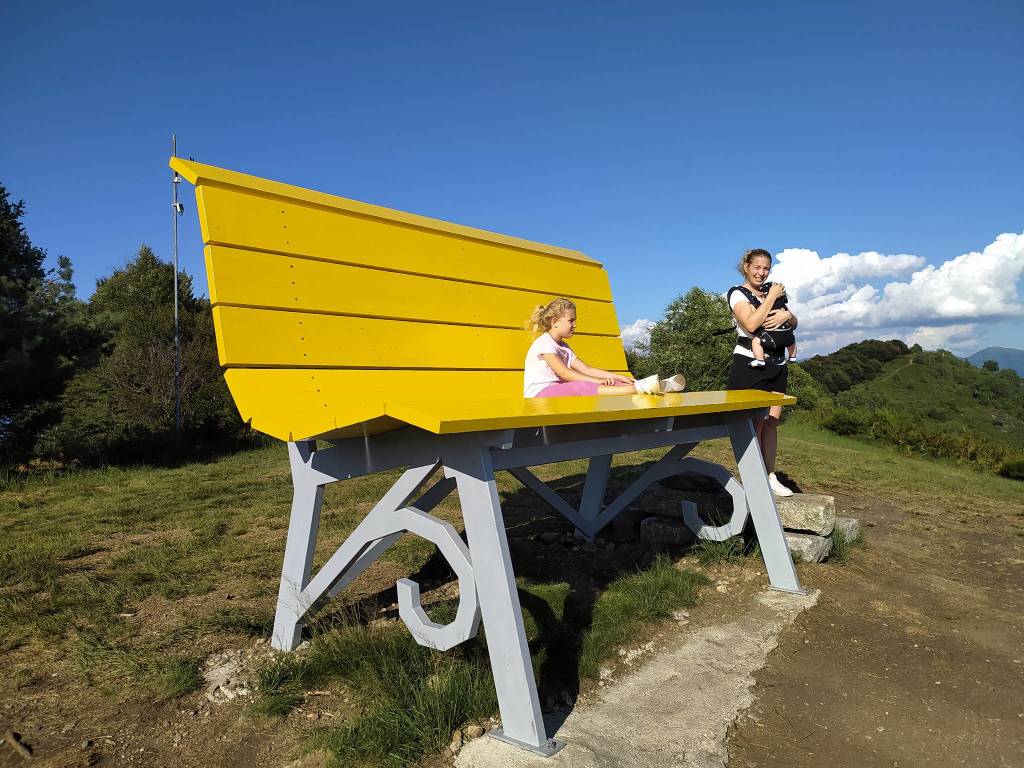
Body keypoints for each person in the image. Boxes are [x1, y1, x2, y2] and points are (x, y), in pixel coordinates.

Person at [726, 249, 797, 496]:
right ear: (746, 266)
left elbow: (792, 323)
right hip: (750, 364)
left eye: (766, 268)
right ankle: (754, 481)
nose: (761, 273)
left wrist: (789, 315)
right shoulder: (737, 294)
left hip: (777, 363)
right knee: (755, 425)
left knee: (772, 423)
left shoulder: (770, 293)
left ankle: (770, 476)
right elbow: (751, 323)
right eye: (757, 267)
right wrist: (773, 296)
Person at [523, 298, 685, 398]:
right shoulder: (545, 343)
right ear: (555, 322)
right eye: (571, 320)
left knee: (612, 383)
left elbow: (587, 369)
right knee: (581, 386)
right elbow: (565, 373)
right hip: (539, 394)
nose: (575, 324)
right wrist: (597, 381)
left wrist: (617, 377)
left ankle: (658, 387)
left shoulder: (564, 347)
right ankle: (640, 388)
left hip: (557, 391)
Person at [745, 282, 798, 368]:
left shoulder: (765, 307)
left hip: (772, 338)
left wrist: (752, 307)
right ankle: (792, 357)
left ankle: (760, 360)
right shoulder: (783, 305)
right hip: (788, 337)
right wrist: (788, 315)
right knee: (792, 342)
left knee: (756, 341)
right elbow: (794, 325)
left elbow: (756, 319)